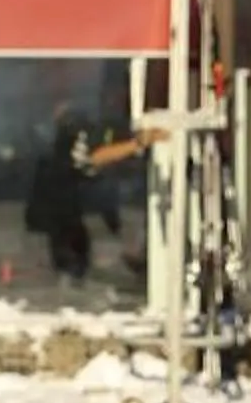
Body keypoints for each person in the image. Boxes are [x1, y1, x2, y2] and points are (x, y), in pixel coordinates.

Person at [23, 113, 159, 285]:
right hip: (61, 220)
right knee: (71, 255)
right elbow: (93, 161)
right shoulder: (62, 163)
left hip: (63, 220)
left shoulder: (56, 161)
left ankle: (71, 276)